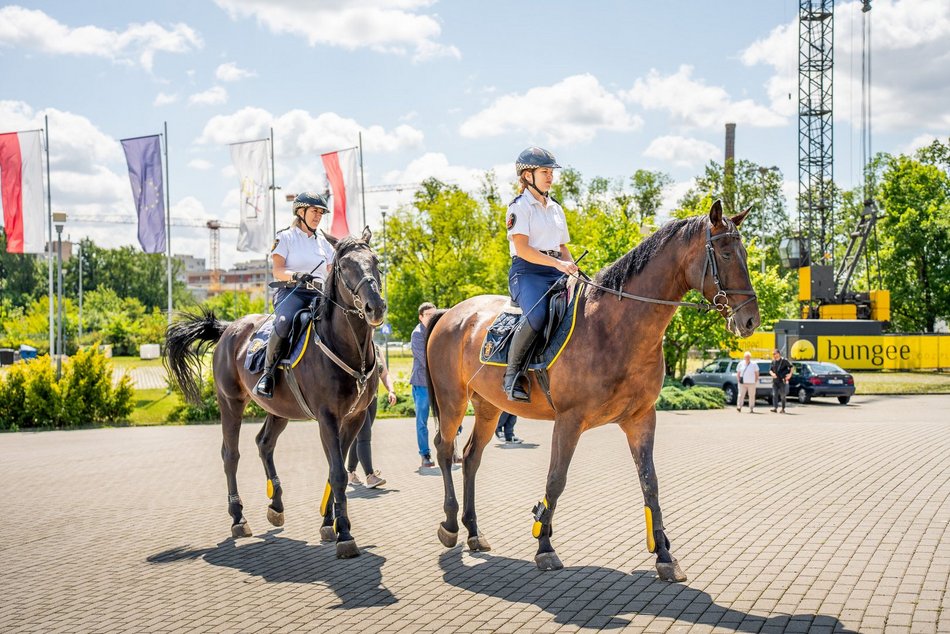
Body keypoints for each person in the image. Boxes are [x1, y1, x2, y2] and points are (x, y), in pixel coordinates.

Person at [504, 147, 578, 401]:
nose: (550, 177)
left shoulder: (556, 208)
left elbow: (563, 248)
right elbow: (523, 249)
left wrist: (575, 269)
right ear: (527, 175)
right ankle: (511, 375)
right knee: (537, 315)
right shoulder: (519, 207)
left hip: (556, 268)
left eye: (551, 172)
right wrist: (559, 265)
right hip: (527, 272)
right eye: (544, 172)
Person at [255, 192, 334, 399]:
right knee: (283, 322)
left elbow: (331, 269)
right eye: (314, 211)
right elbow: (278, 271)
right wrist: (297, 275)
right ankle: (268, 374)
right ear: (301, 211)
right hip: (292, 292)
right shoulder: (285, 237)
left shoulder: (324, 243)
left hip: (319, 294)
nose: (318, 216)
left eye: (321, 213)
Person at [347, 347, 397, 488]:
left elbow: (384, 373)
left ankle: (350, 473)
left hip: (372, 400)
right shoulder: (356, 346)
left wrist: (391, 391)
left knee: (357, 436)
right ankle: (370, 476)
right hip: (357, 402)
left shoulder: (376, 349)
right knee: (364, 436)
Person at [411, 302, 437, 467]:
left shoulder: (438, 330)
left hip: (438, 383)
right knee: (422, 421)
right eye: (428, 315)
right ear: (421, 317)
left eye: (434, 314)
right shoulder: (417, 334)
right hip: (422, 384)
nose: (432, 317)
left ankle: (452, 450)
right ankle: (425, 454)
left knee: (448, 417)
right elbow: (426, 361)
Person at [769, 348, 793, 414]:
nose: (774, 355)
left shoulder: (784, 361)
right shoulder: (773, 361)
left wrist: (790, 374)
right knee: (774, 394)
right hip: (775, 381)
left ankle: (783, 408)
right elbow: (770, 370)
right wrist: (772, 374)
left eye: (775, 354)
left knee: (782, 395)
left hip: (782, 381)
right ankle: (775, 408)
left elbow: (791, 367)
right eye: (773, 354)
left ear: (778, 354)